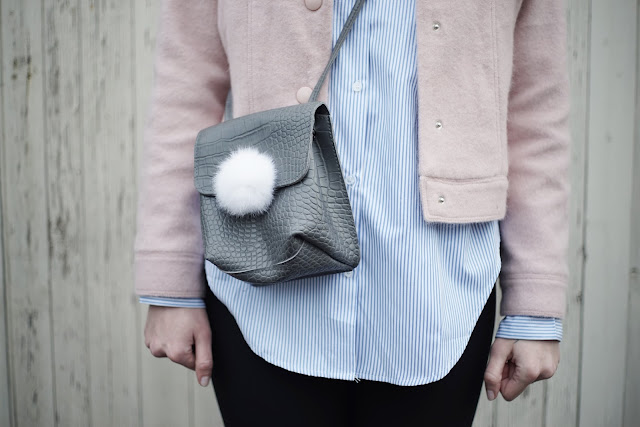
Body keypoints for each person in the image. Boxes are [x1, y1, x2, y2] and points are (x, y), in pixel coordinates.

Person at [134, 0, 570, 426]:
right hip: (262, 288)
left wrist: (535, 306)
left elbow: (535, 111)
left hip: (440, 296)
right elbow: (185, 89)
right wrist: (171, 285)